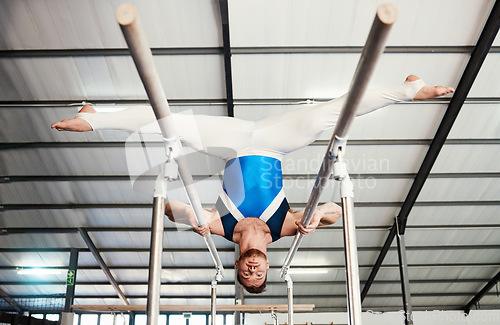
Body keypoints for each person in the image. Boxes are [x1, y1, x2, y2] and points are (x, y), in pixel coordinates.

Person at [52, 75, 454, 293]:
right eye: (260, 276)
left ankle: (96, 116)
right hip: (276, 144)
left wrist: (187, 217)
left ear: (240, 268)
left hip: (230, 146)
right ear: (266, 266)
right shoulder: (282, 228)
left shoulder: (221, 227)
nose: (255, 272)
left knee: (171, 126)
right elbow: (336, 210)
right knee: (324, 118)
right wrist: (318, 218)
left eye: (249, 276)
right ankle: (408, 89)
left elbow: (170, 208)